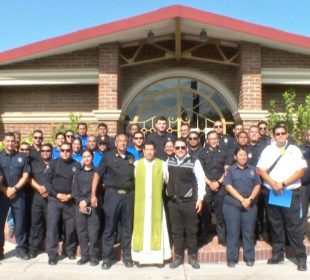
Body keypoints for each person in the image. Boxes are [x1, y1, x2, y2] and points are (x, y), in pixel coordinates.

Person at [257, 124, 307, 271]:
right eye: (277, 134)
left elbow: (301, 172)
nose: (280, 136)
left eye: (282, 133)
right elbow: (261, 170)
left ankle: (301, 258)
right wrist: (274, 184)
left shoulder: (294, 150)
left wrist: (283, 184)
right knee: (275, 226)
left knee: (293, 227)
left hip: (289, 192)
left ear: (287, 134)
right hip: (273, 192)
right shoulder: (268, 150)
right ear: (273, 135)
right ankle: (278, 255)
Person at [91, 134, 135, 270]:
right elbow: (97, 174)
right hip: (112, 195)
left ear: (128, 143)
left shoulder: (131, 157)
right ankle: (107, 258)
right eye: (120, 141)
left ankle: (127, 256)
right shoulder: (108, 156)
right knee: (110, 227)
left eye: (125, 141)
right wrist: (93, 194)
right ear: (115, 143)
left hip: (128, 196)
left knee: (127, 227)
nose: (122, 143)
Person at [166, 138, 205, 269]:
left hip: (189, 202)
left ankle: (193, 256)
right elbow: (164, 179)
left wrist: (200, 199)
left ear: (187, 148)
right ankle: (178, 256)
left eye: (183, 147)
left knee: (191, 230)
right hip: (173, 203)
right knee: (176, 231)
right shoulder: (168, 161)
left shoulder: (194, 161)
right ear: (174, 149)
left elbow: (201, 181)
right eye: (177, 148)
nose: (180, 150)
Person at [132, 141, 171, 266]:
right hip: (140, 203)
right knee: (141, 228)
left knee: (157, 228)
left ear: (155, 151)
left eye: (151, 149)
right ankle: (139, 258)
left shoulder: (162, 165)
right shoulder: (137, 164)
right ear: (143, 151)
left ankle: (157, 259)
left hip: (156, 204)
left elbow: (168, 181)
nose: (149, 152)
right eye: (146, 149)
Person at [223, 147, 261, 268]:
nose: (243, 157)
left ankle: (249, 257)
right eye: (240, 155)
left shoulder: (253, 170)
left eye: (244, 155)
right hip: (233, 204)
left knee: (249, 232)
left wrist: (249, 199)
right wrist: (241, 199)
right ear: (235, 157)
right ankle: (231, 258)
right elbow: (228, 186)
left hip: (250, 204)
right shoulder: (230, 170)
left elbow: (257, 186)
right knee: (233, 232)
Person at [44, 142, 81, 265]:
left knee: (70, 227)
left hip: (70, 201)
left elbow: (78, 183)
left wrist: (71, 195)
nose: (65, 152)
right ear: (59, 151)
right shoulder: (53, 163)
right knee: (53, 227)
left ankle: (69, 251)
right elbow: (47, 182)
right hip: (55, 200)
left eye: (68, 150)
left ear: (71, 151)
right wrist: (56, 195)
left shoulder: (76, 165)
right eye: (63, 150)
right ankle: (52, 254)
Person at [0, 132, 31, 260]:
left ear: (15, 142)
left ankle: (21, 249)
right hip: (2, 195)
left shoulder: (22, 157)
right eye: (8, 141)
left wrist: (15, 189)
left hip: (18, 195)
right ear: (3, 142)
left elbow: (26, 175)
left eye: (12, 141)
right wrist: (5, 190)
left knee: (20, 223)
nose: (10, 143)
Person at [198, 130, 229, 245]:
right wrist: (210, 183)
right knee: (205, 213)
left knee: (220, 213)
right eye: (211, 139)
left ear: (218, 139)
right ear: (207, 140)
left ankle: (222, 237)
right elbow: (200, 171)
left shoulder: (223, 152)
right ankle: (204, 236)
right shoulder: (202, 153)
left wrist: (219, 182)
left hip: (220, 187)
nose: (214, 141)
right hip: (207, 186)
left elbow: (227, 169)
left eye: (215, 138)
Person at [72, 149, 100, 266]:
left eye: (89, 156)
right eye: (84, 157)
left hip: (92, 206)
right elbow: (74, 190)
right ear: (82, 158)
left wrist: (87, 201)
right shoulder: (78, 172)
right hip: (80, 205)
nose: (87, 158)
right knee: (82, 231)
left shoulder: (97, 172)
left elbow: (98, 191)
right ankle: (85, 256)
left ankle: (94, 256)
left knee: (93, 232)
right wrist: (80, 202)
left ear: (92, 157)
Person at [29, 143, 53, 258]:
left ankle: (50, 249)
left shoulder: (56, 164)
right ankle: (34, 248)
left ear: (51, 152)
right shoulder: (34, 164)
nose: (45, 152)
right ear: (40, 152)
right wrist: (39, 188)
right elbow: (29, 178)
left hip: (50, 197)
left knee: (50, 224)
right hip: (37, 197)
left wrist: (48, 190)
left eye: (48, 150)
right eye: (43, 151)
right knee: (36, 223)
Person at [299, 128, 310, 236]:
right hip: (304, 185)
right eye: (308, 135)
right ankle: (301, 233)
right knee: (303, 209)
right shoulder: (300, 149)